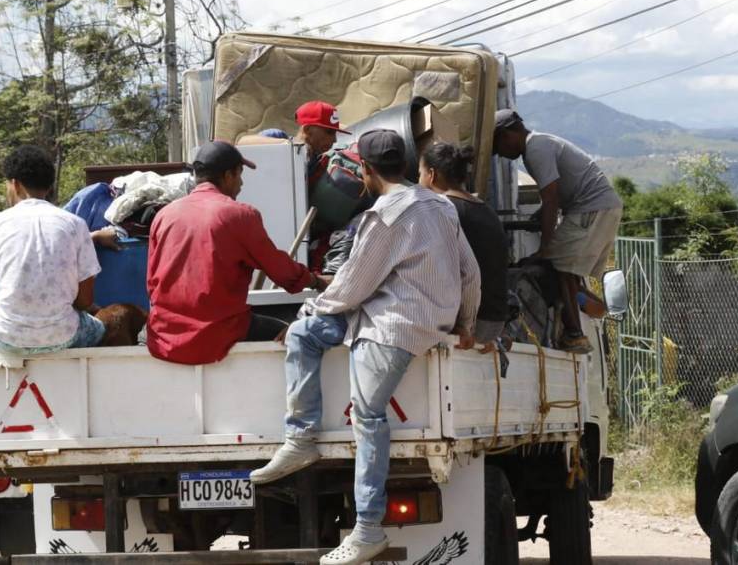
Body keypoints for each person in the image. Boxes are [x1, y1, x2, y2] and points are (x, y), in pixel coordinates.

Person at [250, 130, 479, 565]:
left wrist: (309, 309)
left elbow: (352, 286)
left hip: (391, 327)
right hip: (405, 318)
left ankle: (368, 529)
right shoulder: (440, 204)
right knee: (305, 337)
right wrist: (466, 323)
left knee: (369, 417)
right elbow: (471, 270)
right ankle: (301, 437)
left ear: (367, 172)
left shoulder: (382, 217)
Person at [146, 141, 328, 365]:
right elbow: (281, 271)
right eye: (240, 175)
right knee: (291, 331)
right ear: (228, 175)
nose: (241, 184)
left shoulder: (164, 215)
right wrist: (316, 280)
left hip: (163, 334)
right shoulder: (239, 215)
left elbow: (152, 284)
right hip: (219, 332)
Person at [493, 109, 622, 354]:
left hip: (591, 208)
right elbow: (555, 198)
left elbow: (551, 199)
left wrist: (544, 248)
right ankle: (584, 304)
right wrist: (539, 218)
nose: (502, 155)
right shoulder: (541, 143)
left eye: (499, 147)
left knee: (558, 266)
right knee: (568, 272)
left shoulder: (535, 150)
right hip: (601, 207)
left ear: (508, 134)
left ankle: (574, 334)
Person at [0, 145, 106, 355]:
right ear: (49, 186)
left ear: (15, 184)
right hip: (64, 337)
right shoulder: (75, 224)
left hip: (7, 339)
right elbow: (85, 301)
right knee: (99, 327)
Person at [418, 142, 508, 350]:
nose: (418, 181)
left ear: (431, 174)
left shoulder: (442, 208)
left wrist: (464, 325)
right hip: (493, 322)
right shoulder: (487, 211)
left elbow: (467, 275)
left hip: (467, 324)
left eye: (419, 174)